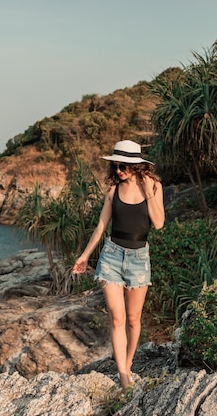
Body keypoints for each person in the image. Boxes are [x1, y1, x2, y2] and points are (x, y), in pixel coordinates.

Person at [73, 140, 165, 391]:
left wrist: (148, 193)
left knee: (134, 319)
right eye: (115, 166)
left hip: (139, 259)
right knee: (117, 318)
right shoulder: (113, 191)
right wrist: (84, 256)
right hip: (111, 256)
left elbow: (158, 223)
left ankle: (129, 362)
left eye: (123, 166)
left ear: (136, 166)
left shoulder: (154, 186)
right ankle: (123, 376)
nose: (118, 171)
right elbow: (102, 225)